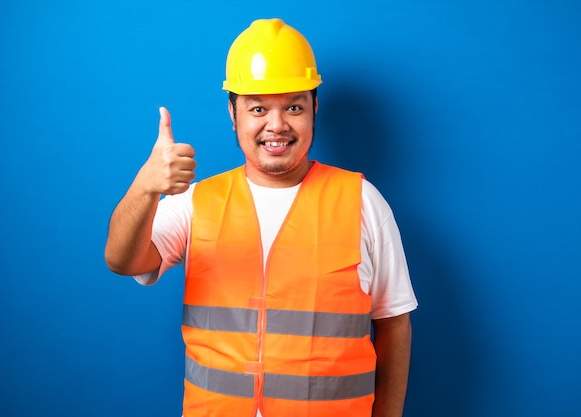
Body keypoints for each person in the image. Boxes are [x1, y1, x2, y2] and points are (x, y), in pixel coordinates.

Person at [105, 18, 417, 417]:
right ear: (233, 112)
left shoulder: (362, 201)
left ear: (314, 108)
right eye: (258, 108)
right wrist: (145, 188)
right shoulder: (198, 201)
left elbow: (394, 325)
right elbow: (122, 261)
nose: (277, 125)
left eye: (293, 106)